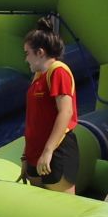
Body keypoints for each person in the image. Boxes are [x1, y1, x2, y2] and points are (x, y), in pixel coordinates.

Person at [20, 25, 78, 191]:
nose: (26, 59)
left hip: (55, 152)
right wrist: (26, 157)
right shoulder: (38, 77)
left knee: (63, 209)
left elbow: (66, 112)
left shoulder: (58, 72)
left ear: (40, 52)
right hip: (34, 155)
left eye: (27, 53)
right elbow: (34, 120)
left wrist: (48, 151)